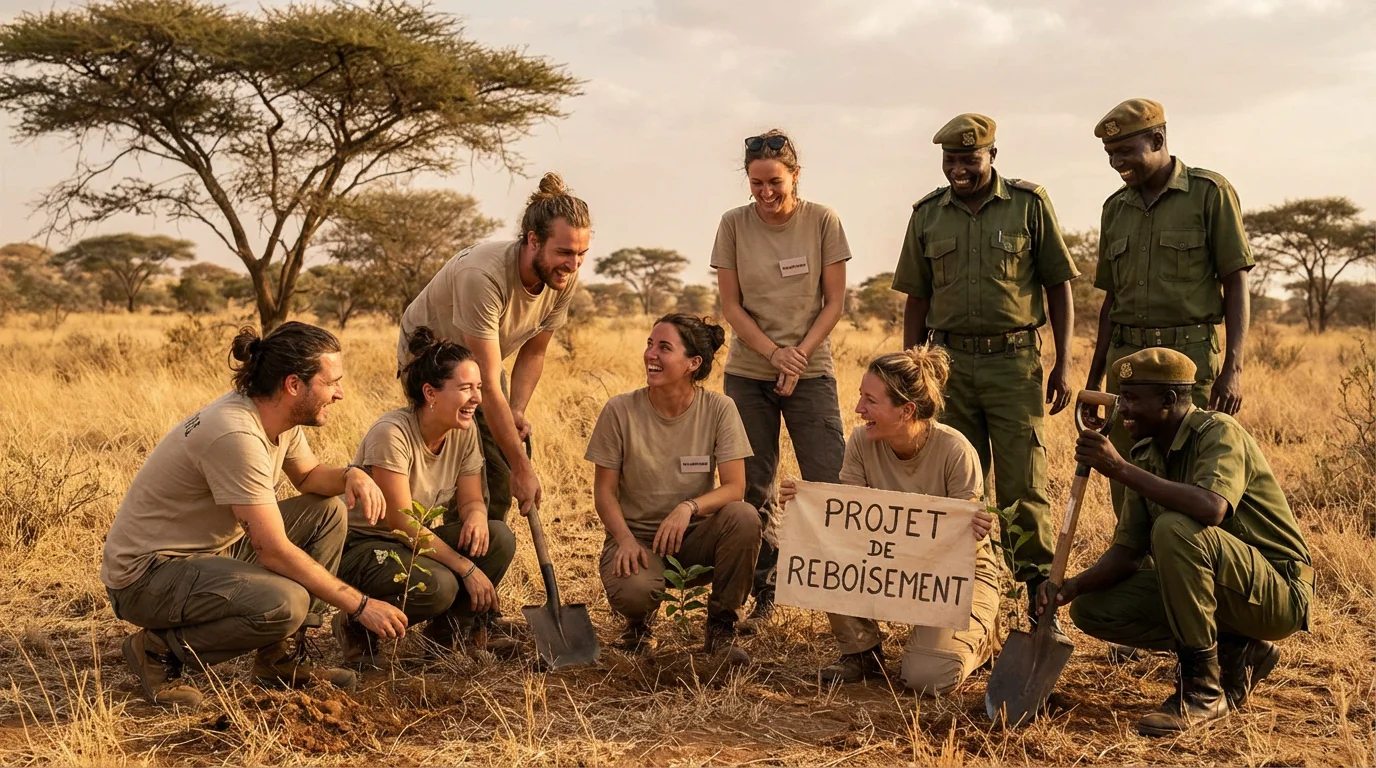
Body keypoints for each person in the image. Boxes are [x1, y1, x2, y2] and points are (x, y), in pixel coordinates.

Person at [103, 322, 409, 710]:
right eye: (332, 382)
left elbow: (309, 477)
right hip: (146, 575)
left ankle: (278, 661)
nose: (340, 393)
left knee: (327, 510)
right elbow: (274, 551)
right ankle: (156, 651)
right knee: (286, 602)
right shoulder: (236, 434)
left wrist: (352, 473)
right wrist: (362, 605)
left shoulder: (274, 415)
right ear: (293, 385)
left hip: (206, 556)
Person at [1042, 348, 1313, 736]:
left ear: (1169, 400)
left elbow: (1212, 508)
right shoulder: (1145, 453)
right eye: (1121, 397)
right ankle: (1237, 650)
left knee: (1174, 528)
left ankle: (1202, 692)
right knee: (1092, 610)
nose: (1123, 409)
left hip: (1276, 594)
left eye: (1133, 398)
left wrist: (1119, 470)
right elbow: (1128, 553)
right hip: (1225, 591)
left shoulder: (1219, 433)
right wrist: (1070, 587)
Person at [892, 113, 1078, 624]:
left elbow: (1058, 285)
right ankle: (961, 594)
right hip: (947, 366)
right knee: (954, 483)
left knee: (1024, 482)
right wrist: (914, 368)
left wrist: (1063, 362)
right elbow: (916, 297)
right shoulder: (927, 215)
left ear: (992, 156)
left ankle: (1038, 602)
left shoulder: (1029, 205)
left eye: (969, 159)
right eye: (950, 159)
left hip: (1014, 364)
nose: (959, 169)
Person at [778, 346, 1001, 694]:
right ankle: (861, 651)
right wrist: (804, 505)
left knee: (927, 678)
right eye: (860, 397)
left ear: (906, 410)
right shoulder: (860, 442)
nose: (858, 409)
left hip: (955, 579)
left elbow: (963, 547)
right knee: (825, 555)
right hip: (889, 567)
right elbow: (845, 526)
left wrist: (974, 528)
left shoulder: (955, 451)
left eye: (870, 400)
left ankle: (982, 638)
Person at [1082, 98, 1253, 519]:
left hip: (1189, 360)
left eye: (1125, 151)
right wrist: (1093, 380)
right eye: (1110, 154)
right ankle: (1133, 572)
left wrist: (1233, 368)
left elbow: (1235, 281)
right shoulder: (1114, 209)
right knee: (1123, 471)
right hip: (1127, 361)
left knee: (1189, 473)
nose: (1117, 163)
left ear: (1158, 139)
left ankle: (1180, 571)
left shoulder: (1209, 193)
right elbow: (1111, 302)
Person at [712, 129, 850, 634]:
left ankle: (846, 594)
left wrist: (797, 358)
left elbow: (833, 301)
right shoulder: (732, 225)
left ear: (796, 176)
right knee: (753, 487)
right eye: (755, 183)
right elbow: (730, 305)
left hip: (811, 370)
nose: (765, 193)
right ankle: (763, 593)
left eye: (775, 182)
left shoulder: (823, 221)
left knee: (831, 479)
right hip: (750, 372)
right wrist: (774, 354)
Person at [398, 172, 591, 523]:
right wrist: (522, 466)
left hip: (480, 363)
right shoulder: (482, 275)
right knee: (446, 460)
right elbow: (486, 384)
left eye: (581, 253)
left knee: (496, 477)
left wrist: (516, 411)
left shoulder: (563, 277)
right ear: (533, 240)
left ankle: (478, 555)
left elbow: (535, 352)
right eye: (564, 252)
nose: (573, 264)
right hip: (431, 358)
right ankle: (428, 556)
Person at [334, 327, 517, 663]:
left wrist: (476, 515)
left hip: (414, 540)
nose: (476, 397)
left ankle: (448, 635)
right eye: (465, 388)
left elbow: (471, 499)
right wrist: (466, 568)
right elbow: (402, 524)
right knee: (440, 585)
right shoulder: (391, 434)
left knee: (498, 536)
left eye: (478, 387)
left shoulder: (463, 430)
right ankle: (356, 622)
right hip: (365, 546)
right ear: (431, 393)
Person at [585, 314, 759, 662]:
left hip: (693, 538)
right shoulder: (620, 410)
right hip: (636, 540)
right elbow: (604, 493)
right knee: (635, 593)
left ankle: (721, 627)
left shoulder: (719, 409)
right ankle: (638, 623)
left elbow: (735, 487)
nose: (651, 354)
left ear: (693, 363)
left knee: (744, 517)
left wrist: (688, 507)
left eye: (664, 347)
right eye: (650, 344)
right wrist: (625, 540)